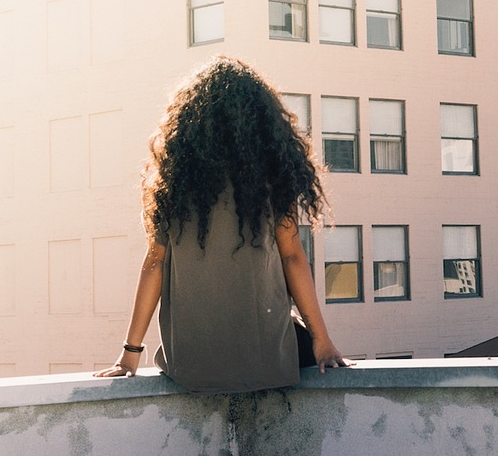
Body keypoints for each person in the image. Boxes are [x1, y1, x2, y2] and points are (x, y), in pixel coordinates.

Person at [94, 56, 348, 391]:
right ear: (261, 122)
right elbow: (293, 258)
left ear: (187, 124)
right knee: (293, 330)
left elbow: (154, 263)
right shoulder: (271, 180)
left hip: (190, 367)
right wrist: (322, 342)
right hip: (265, 364)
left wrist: (129, 354)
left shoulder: (171, 184)